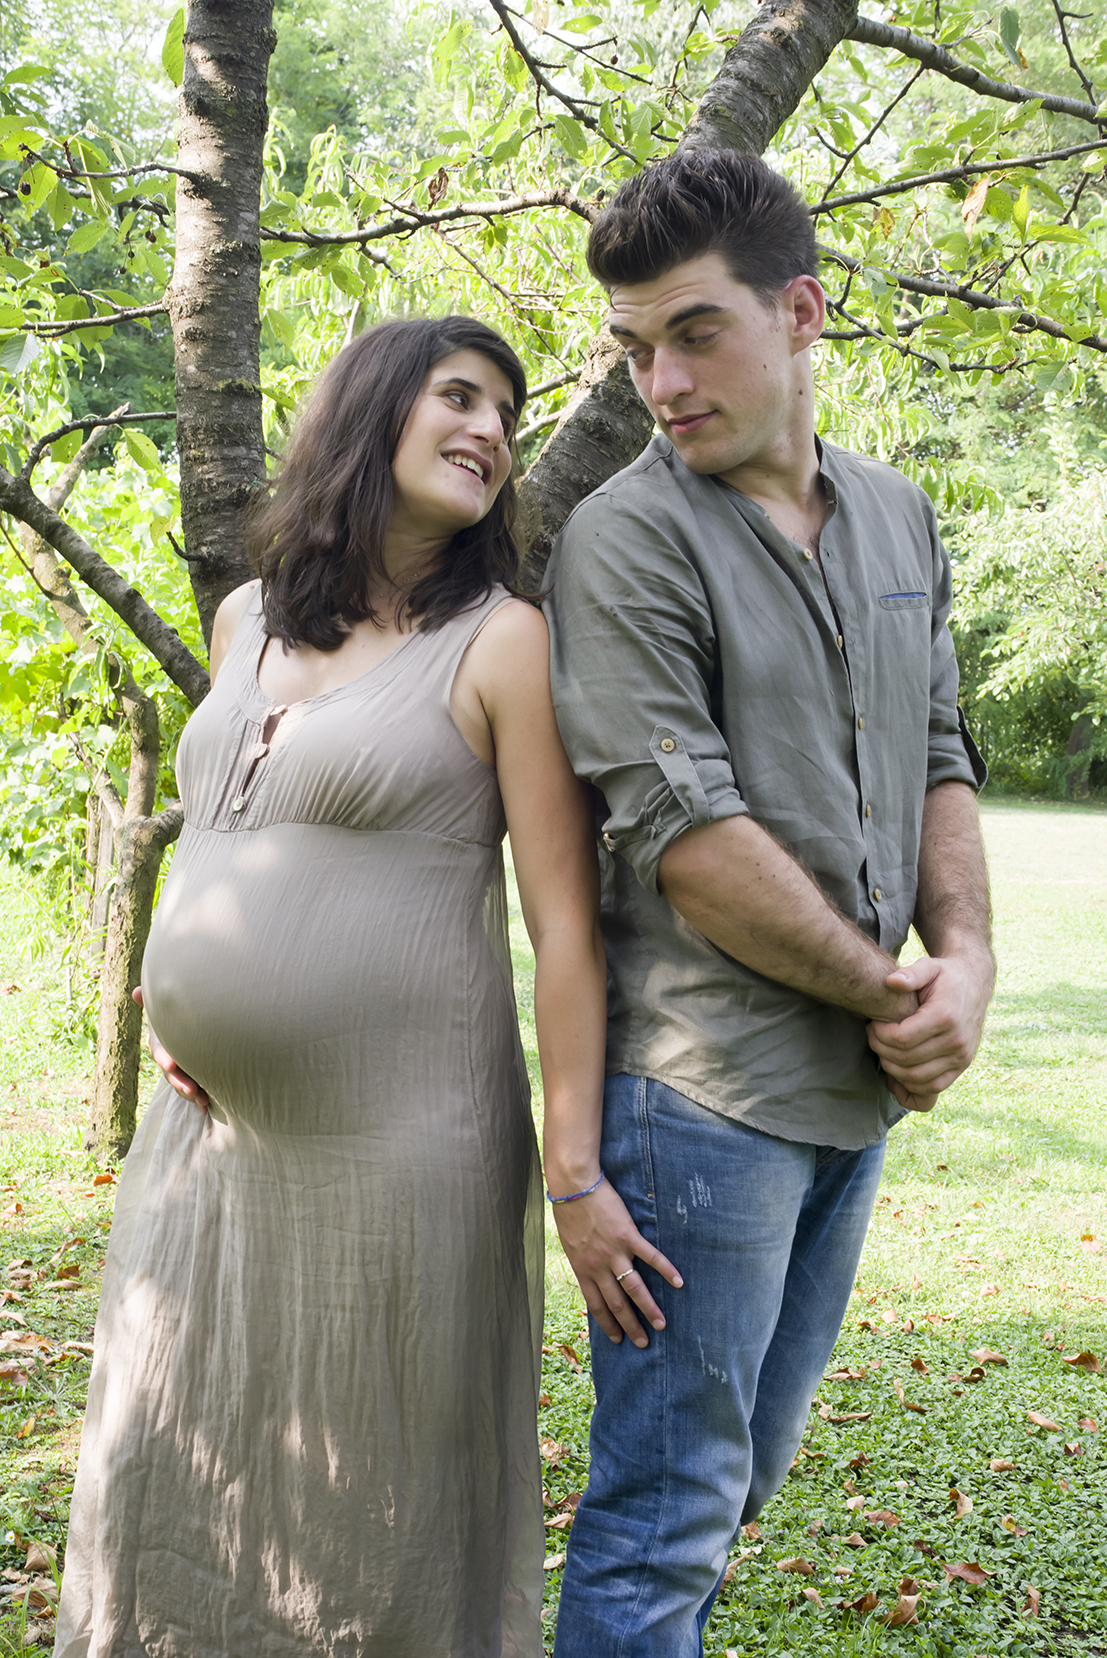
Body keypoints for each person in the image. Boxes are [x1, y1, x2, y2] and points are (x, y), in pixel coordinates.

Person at [54, 315, 670, 1658]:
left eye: (507, 413)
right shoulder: (244, 617)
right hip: (206, 1136)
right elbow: (223, 829)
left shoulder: (504, 642)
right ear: (371, 409)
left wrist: (573, 1172)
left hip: (405, 1144)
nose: (492, 432)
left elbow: (564, 928)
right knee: (176, 1437)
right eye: (459, 396)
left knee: (376, 1496)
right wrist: (186, 991)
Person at [540, 152, 995, 1656]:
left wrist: (973, 961)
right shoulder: (626, 539)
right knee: (662, 1518)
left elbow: (938, 753)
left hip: (847, 1111)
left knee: (737, 1490)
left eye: (691, 333)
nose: (657, 380)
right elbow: (686, 842)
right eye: (632, 348)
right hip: (698, 1107)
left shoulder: (896, 518)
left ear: (801, 311)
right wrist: (896, 996)